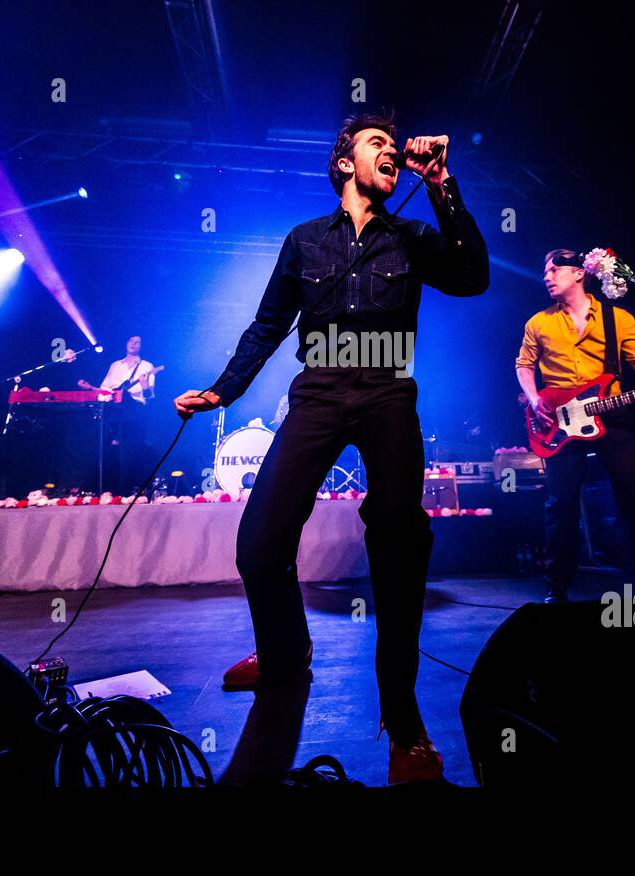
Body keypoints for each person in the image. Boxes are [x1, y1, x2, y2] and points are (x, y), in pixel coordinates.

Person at [173, 112, 488, 784]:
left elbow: (472, 276)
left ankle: (403, 722)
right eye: (377, 144)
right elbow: (266, 328)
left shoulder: (413, 235)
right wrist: (222, 392)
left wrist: (442, 183)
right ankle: (285, 654)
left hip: (387, 392)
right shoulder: (304, 241)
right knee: (260, 542)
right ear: (345, 163)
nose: (391, 154)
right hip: (316, 392)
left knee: (399, 542)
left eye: (394, 149)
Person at [515, 249, 635, 602]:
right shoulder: (538, 322)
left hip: (611, 415)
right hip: (559, 423)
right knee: (559, 506)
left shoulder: (618, 318)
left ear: (579, 273)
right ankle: (557, 588)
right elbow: (524, 364)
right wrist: (535, 399)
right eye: (544, 271)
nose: (546, 276)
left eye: (554, 269)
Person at [79, 335, 161, 493]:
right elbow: (105, 389)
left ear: (141, 347)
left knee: (129, 453)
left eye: (138, 342)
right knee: (108, 451)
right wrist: (90, 387)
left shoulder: (147, 366)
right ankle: (106, 490)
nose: (134, 344)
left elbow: (150, 397)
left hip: (134, 414)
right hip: (113, 414)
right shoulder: (115, 365)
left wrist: (144, 386)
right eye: (131, 341)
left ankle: (128, 490)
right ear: (126, 343)